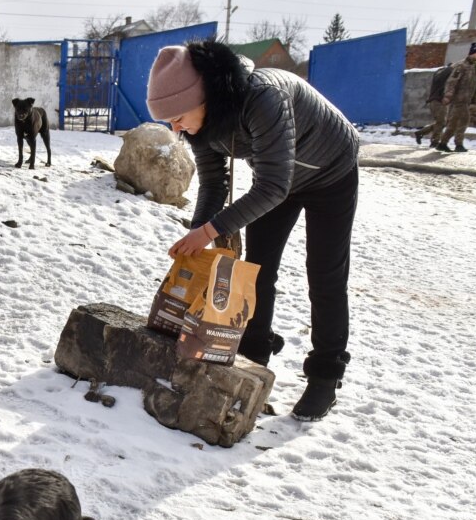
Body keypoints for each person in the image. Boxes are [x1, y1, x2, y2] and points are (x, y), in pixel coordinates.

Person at [146, 38, 359, 421]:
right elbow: (213, 184)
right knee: (257, 270)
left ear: (204, 95)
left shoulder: (263, 96)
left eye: (178, 116)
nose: (175, 128)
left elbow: (273, 186)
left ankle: (325, 377)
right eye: (169, 121)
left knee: (325, 275)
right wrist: (199, 238)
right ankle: (254, 353)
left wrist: (209, 232)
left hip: (331, 170)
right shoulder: (203, 124)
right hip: (280, 179)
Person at [436, 42, 476, 153]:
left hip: (465, 100)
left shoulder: (474, 66)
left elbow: (474, 84)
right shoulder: (462, 65)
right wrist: (447, 96)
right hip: (458, 100)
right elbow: (452, 82)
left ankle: (442, 143)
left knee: (453, 123)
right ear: (472, 53)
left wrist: (474, 98)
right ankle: (458, 144)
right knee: (464, 121)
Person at [413, 63, 453, 148]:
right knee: (441, 122)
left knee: (440, 123)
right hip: (438, 101)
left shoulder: (439, 74)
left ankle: (420, 133)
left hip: (435, 101)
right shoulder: (446, 73)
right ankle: (434, 142)